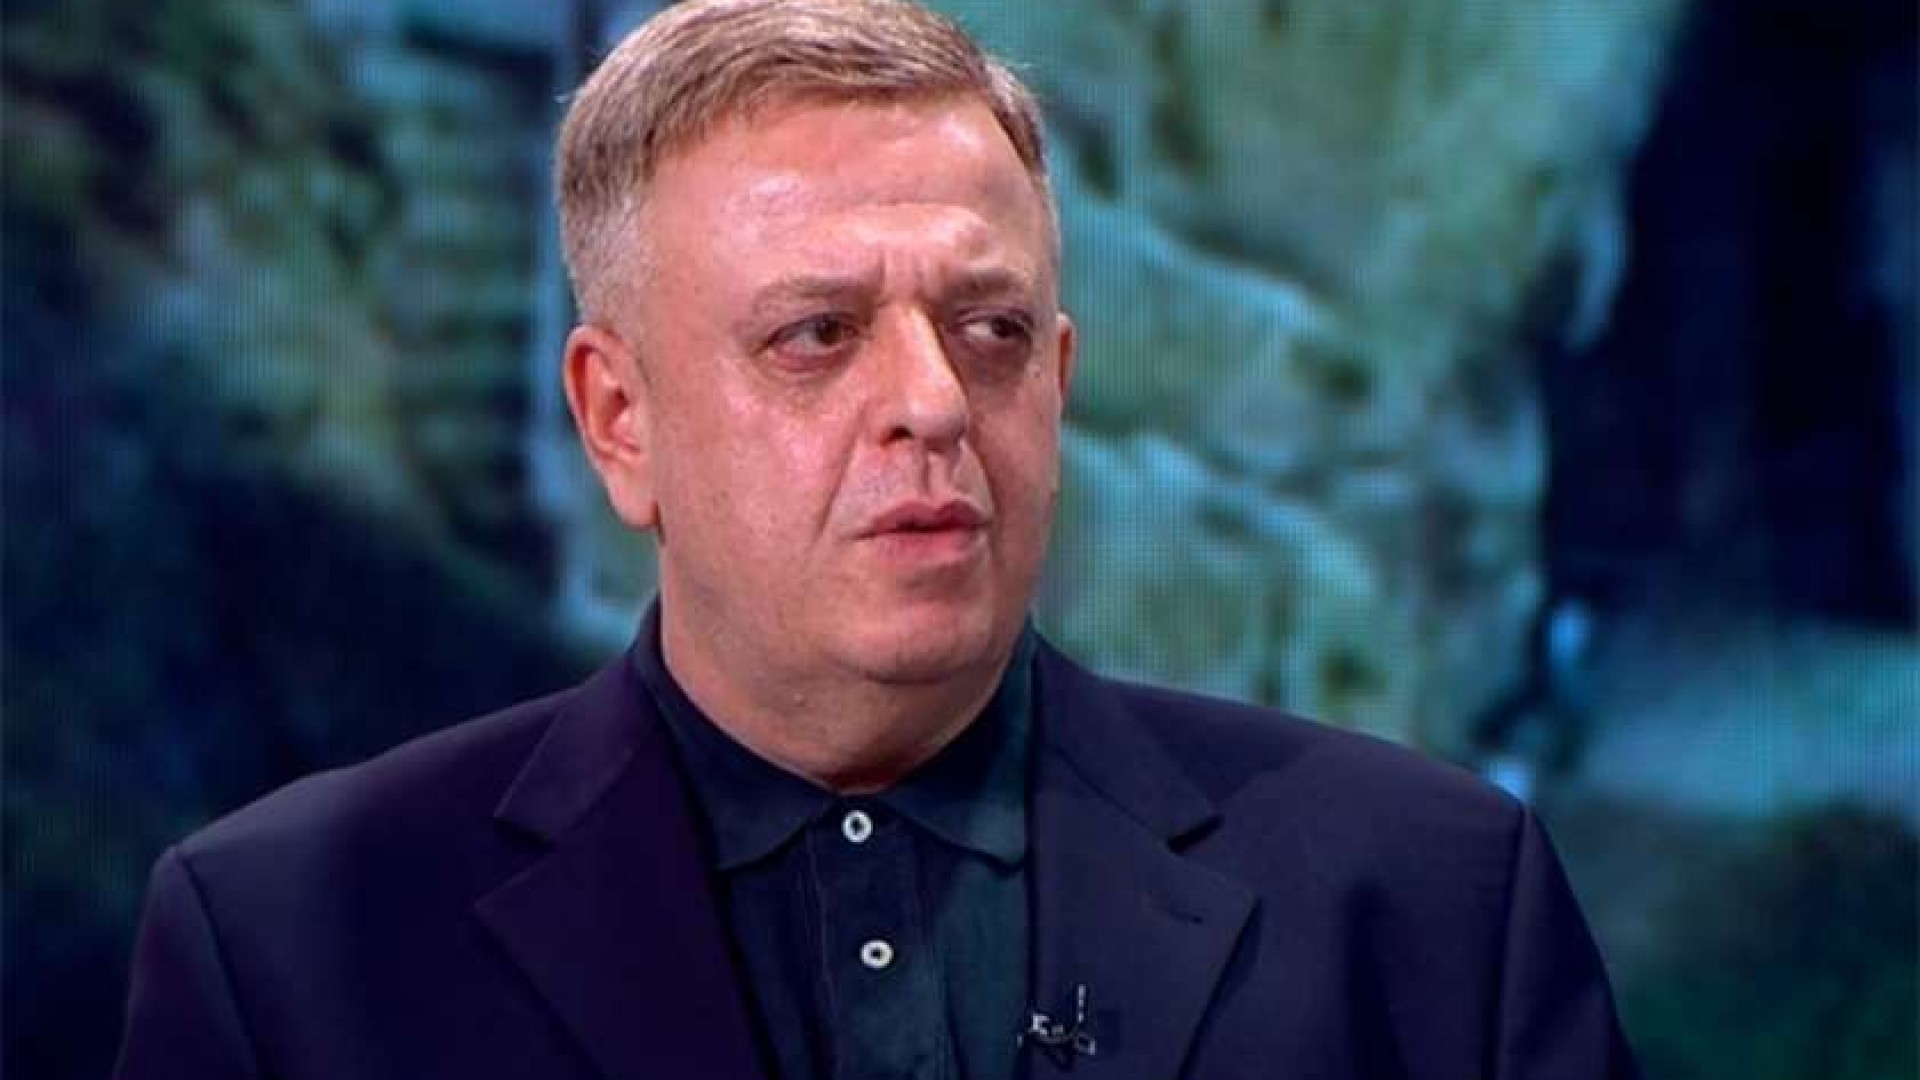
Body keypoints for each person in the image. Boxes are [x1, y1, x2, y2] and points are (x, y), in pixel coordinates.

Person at [113, 1, 1641, 1077]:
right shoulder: (290, 947)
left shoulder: (1434, 904)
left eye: (989, 330)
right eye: (817, 334)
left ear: (1059, 380)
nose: (931, 404)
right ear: (619, 420)